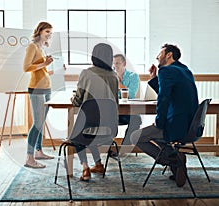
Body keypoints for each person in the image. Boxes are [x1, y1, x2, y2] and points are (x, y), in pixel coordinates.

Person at [130, 44, 199, 187]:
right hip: (190, 127)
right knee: (156, 138)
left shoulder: (166, 71)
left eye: (160, 53)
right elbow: (169, 91)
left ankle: (173, 160)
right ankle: (176, 162)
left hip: (176, 126)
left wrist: (159, 122)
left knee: (135, 136)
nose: (157, 57)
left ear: (169, 55)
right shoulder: (185, 70)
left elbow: (163, 98)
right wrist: (154, 78)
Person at [71, 43, 119, 181]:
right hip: (110, 127)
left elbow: (78, 101)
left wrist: (73, 98)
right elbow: (115, 103)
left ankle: (85, 168)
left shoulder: (87, 73)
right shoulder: (114, 76)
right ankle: (98, 164)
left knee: (76, 136)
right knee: (90, 131)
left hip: (89, 124)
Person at [23, 22, 55, 169]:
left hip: (46, 88)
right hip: (36, 89)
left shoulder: (42, 48)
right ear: (40, 31)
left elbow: (39, 70)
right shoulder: (32, 46)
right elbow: (26, 67)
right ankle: (30, 158)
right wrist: (45, 64)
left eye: (51, 32)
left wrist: (49, 71)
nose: (49, 34)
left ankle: (39, 151)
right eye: (47, 31)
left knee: (41, 123)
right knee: (37, 123)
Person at [113, 54, 142, 146]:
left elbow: (131, 94)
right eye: (113, 63)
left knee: (136, 119)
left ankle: (124, 147)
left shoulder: (133, 76)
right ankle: (110, 146)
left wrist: (118, 82)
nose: (115, 66)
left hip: (128, 112)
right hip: (113, 112)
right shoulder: (110, 77)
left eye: (117, 63)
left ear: (124, 64)